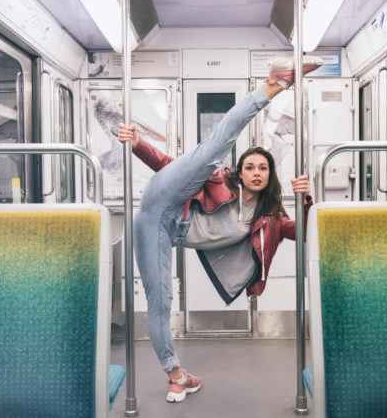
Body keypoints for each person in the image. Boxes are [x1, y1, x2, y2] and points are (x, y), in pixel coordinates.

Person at [117, 56, 322, 403]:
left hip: (162, 229)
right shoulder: (217, 179)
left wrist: (305, 201)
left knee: (160, 302)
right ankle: (276, 83)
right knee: (215, 146)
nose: (256, 172)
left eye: (263, 169)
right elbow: (170, 166)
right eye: (250, 167)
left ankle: (177, 376)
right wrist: (137, 144)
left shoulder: (269, 217)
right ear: (240, 172)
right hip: (165, 200)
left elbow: (299, 232)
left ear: (269, 177)